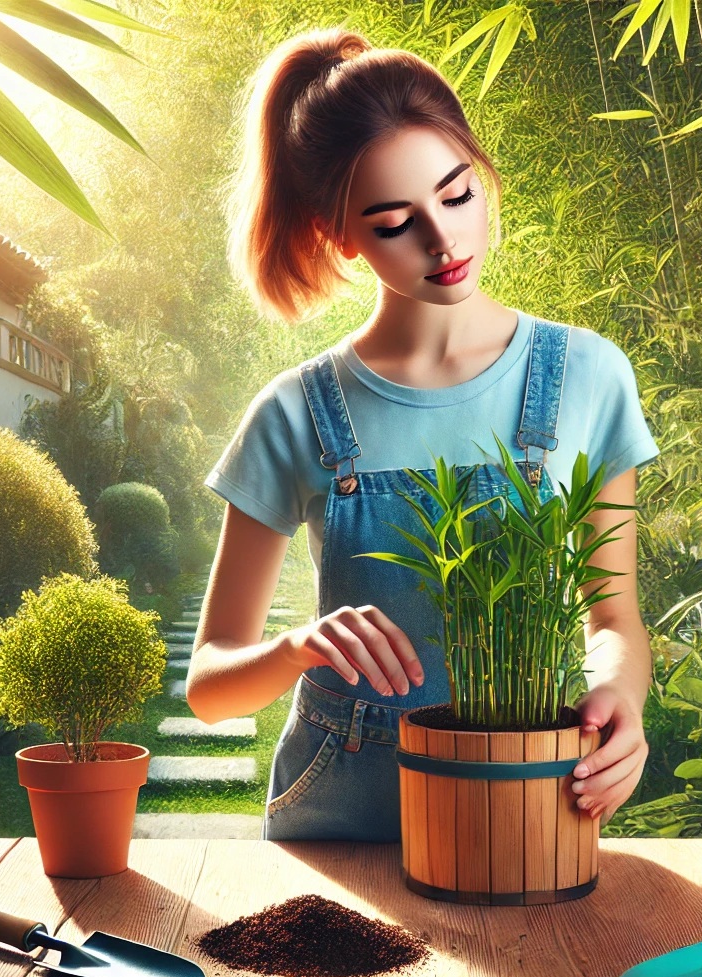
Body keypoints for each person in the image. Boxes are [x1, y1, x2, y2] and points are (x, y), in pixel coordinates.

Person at [186, 27, 660, 841]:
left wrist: (617, 695)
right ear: (342, 238)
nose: (444, 241)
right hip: (340, 826)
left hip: (523, 812)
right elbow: (209, 684)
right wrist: (299, 645)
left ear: (479, 172)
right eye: (394, 221)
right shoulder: (296, 411)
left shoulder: (589, 375)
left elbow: (613, 618)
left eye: (457, 193)